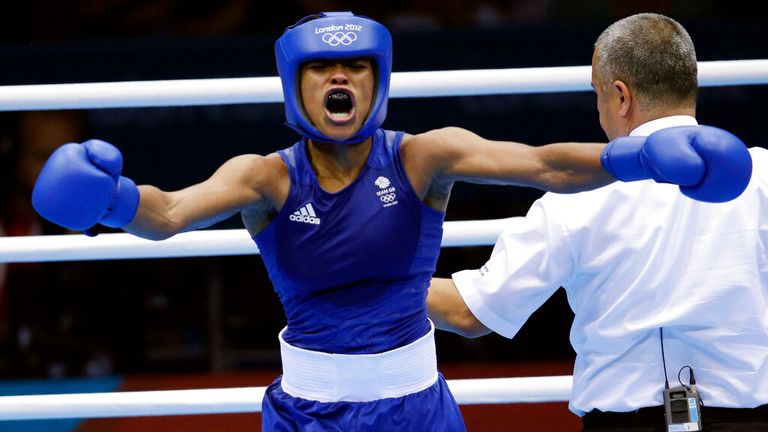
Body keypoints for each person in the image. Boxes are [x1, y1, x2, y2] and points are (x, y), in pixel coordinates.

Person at [30, 11, 750, 431]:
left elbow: (543, 164)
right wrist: (113, 201)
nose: (339, 79)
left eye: (355, 69)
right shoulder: (265, 176)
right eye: (320, 69)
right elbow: (170, 213)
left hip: (416, 407)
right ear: (296, 83)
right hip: (306, 409)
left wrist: (642, 161)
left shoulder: (421, 158)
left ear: (377, 79)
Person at [427, 12, 766, 432]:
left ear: (621, 97)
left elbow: (469, 313)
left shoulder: (575, 196)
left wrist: (367, 279)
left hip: (624, 424)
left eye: (597, 94)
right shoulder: (763, 175)